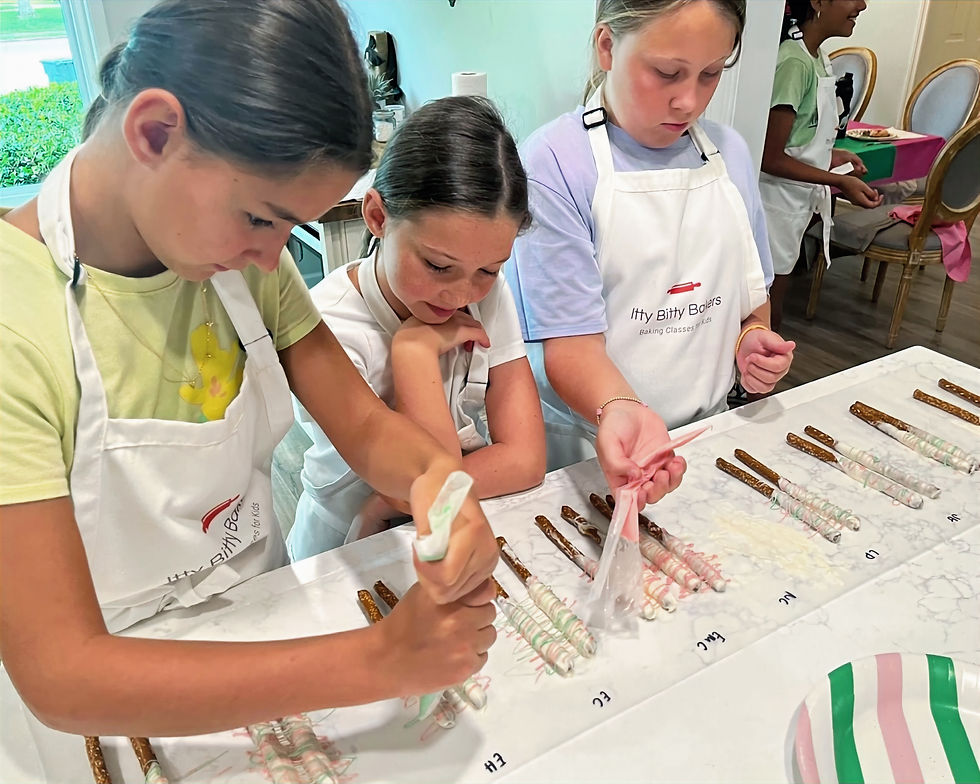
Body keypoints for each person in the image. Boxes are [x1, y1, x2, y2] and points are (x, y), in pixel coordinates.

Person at [0, 0, 498, 738]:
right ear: (155, 131)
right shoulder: (18, 319)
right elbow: (63, 673)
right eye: (263, 219)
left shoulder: (238, 264)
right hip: (105, 714)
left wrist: (440, 486)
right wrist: (380, 660)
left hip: (263, 647)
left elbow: (365, 428)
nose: (273, 259)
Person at [504, 0, 794, 505]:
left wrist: (750, 338)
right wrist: (621, 408)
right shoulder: (554, 166)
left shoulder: (730, 156)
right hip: (593, 449)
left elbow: (749, 298)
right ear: (608, 46)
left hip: (709, 435)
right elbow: (570, 346)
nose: (689, 102)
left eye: (710, 74)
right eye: (666, 73)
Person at [289, 96, 546, 558]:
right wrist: (413, 352)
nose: (461, 295)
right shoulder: (327, 325)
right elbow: (428, 478)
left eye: (489, 269)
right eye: (437, 265)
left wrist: (394, 500)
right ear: (377, 217)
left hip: (434, 520)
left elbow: (525, 459)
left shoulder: (488, 291)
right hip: (347, 545)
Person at [760, 0, 882, 329]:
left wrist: (833, 157)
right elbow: (769, 157)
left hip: (794, 203)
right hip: (774, 206)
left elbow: (798, 141)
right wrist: (838, 181)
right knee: (768, 313)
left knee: (774, 306)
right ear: (817, 2)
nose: (862, 4)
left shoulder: (817, 59)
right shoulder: (794, 62)